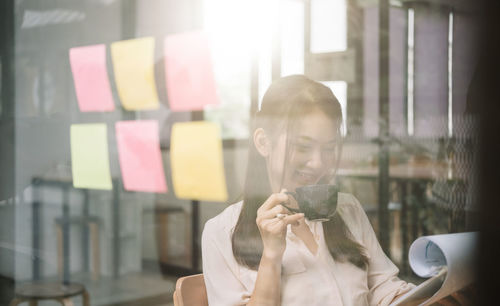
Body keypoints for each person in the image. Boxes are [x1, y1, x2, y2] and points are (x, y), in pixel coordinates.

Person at [201, 75, 414, 306]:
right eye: (302, 147)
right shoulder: (221, 233)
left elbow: (383, 288)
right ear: (263, 142)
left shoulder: (347, 209)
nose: (318, 163)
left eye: (329, 148)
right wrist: (271, 256)